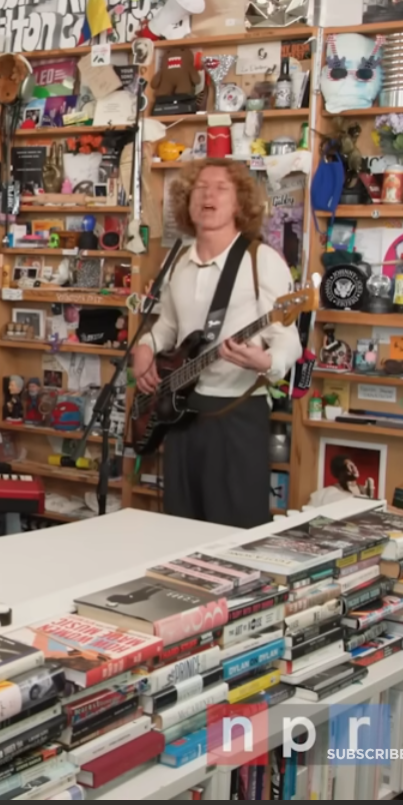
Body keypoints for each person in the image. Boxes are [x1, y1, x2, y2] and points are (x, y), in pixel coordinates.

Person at [132, 159, 302, 528]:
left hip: (236, 418)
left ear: (240, 203)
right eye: (200, 187)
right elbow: (167, 328)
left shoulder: (262, 261)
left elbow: (288, 339)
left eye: (221, 188)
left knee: (234, 534)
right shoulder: (177, 262)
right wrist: (144, 348)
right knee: (179, 528)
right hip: (180, 416)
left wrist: (264, 362)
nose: (209, 194)